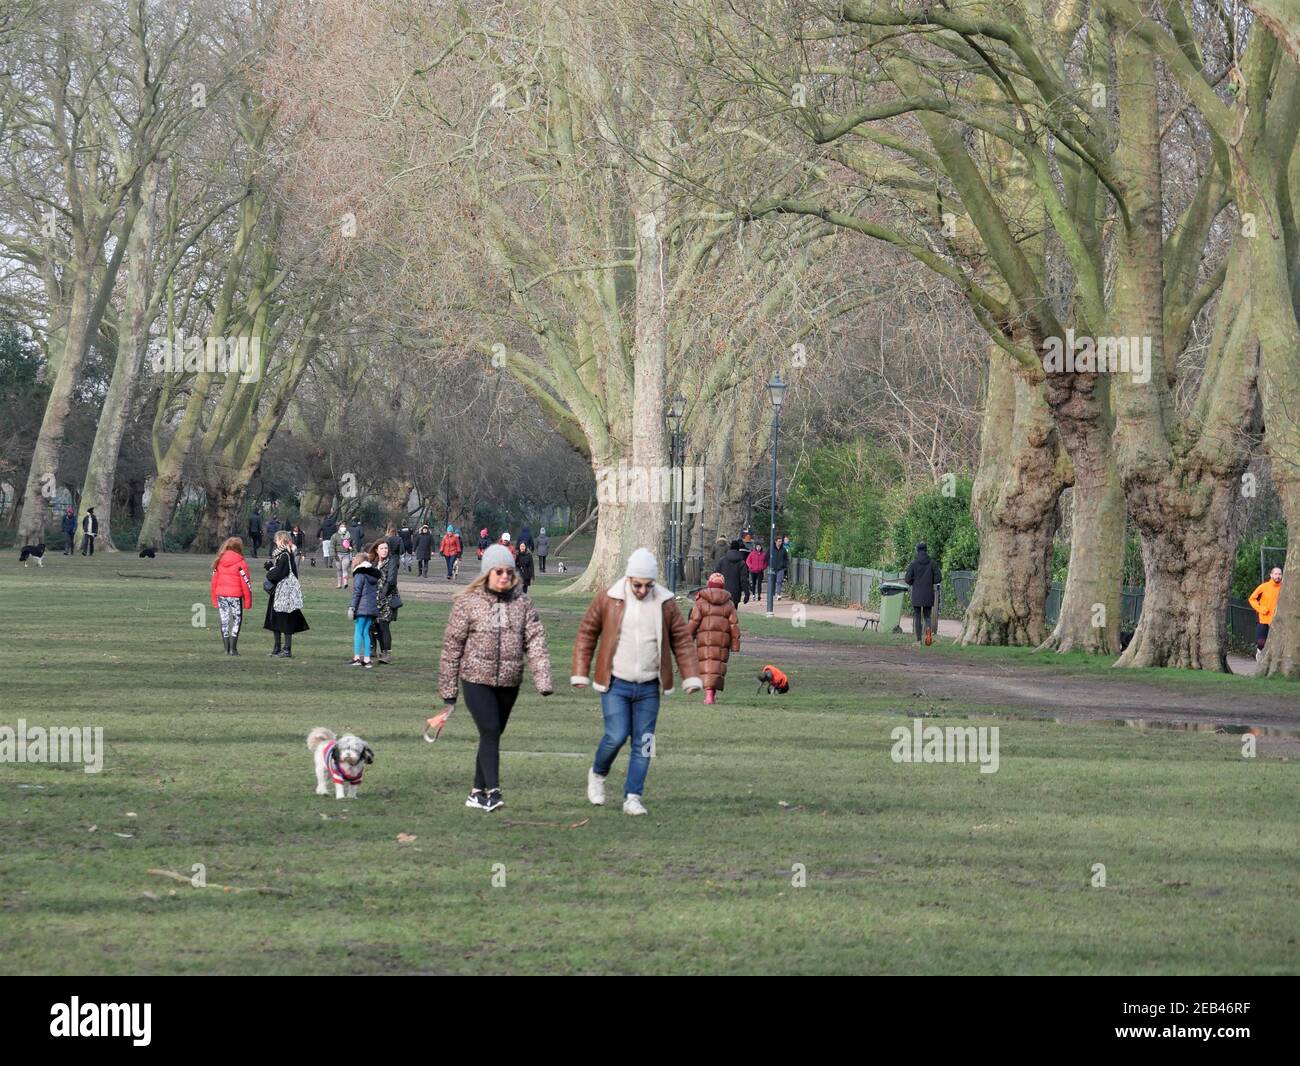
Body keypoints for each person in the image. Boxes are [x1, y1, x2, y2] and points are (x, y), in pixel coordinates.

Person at [572, 549, 703, 816]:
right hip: (615, 684)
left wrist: (690, 676)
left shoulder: (665, 603)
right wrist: (580, 672)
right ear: (628, 578)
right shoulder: (609, 599)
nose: (642, 590)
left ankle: (633, 796)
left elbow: (681, 640)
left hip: (648, 686)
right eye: (637, 585)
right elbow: (587, 633)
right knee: (616, 734)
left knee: (644, 742)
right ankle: (598, 774)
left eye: (648, 585)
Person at [437, 543, 553, 812]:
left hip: (509, 681)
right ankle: (494, 793)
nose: (504, 576)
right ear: (487, 573)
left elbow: (535, 641)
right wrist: (449, 689)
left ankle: (476, 792)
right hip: (476, 679)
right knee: (489, 730)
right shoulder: (468, 604)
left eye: (509, 572)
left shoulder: (522, 603)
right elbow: (452, 646)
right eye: (498, 571)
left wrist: (543, 680)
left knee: (492, 735)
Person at [688, 573, 741, 705]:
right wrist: (735, 644)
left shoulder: (700, 602)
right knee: (717, 667)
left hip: (704, 639)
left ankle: (708, 694)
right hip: (722, 640)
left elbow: (694, 622)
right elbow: (734, 625)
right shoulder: (729, 603)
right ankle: (711, 694)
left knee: (707, 666)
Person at [264, 530, 309, 658]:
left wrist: (269, 570)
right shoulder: (284, 555)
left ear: (281, 540)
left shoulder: (284, 555)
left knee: (284, 619)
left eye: (277, 539)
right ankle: (278, 647)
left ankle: (285, 649)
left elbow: (279, 573)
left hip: (283, 593)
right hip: (282, 592)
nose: (275, 542)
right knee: (277, 619)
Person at [210, 536, 253, 656]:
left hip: (221, 595)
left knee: (224, 621)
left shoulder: (219, 561)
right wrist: (248, 601)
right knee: (236, 620)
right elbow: (246, 582)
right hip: (235, 596)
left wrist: (214, 598)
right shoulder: (241, 563)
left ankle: (226, 648)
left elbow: (214, 581)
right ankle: (233, 649)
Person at [368, 538, 402, 664]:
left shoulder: (392, 561)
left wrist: (383, 594)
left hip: (387, 598)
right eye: (382, 548)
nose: (384, 550)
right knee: (375, 625)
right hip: (374, 598)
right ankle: (379, 651)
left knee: (384, 625)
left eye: (386, 548)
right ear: (377, 550)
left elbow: (392, 580)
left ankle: (386, 654)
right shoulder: (373, 563)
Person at [347, 549, 382, 668]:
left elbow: (357, 592)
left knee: (358, 631)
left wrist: (352, 606)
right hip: (371, 608)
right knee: (366, 632)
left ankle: (357, 657)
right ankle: (367, 659)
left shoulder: (359, 574)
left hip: (362, 607)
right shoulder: (373, 575)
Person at [904, 542, 942, 645]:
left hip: (917, 594)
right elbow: (938, 578)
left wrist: (914, 582)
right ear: (926, 550)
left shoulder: (913, 564)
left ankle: (918, 640)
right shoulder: (932, 563)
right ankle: (928, 632)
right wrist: (930, 581)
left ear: (917, 550)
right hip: (928, 593)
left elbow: (907, 579)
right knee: (927, 616)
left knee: (917, 616)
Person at [1249, 566, 1283, 662]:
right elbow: (1252, 599)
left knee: (1277, 643)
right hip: (1263, 619)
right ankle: (1259, 652)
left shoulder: (1284, 588)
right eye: (1276, 574)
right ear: (1271, 575)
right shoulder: (1263, 587)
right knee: (1261, 642)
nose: (1278, 576)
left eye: (1280, 574)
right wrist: (1261, 609)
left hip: (1278, 621)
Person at [721, 539, 748, 606]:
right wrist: (747, 593)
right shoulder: (741, 563)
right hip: (736, 592)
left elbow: (716, 576)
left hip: (723, 591)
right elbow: (743, 580)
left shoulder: (722, 561)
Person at [330, 522, 352, 589]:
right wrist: (333, 554)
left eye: (344, 526)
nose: (343, 528)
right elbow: (332, 546)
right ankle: (339, 584)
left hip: (346, 555)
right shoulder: (335, 536)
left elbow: (354, 545)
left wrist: (353, 552)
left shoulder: (349, 536)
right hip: (338, 555)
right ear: (339, 527)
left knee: (345, 569)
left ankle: (345, 583)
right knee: (339, 569)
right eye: (341, 526)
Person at [770, 534, 790, 601]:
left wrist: (783, 565)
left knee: (779, 581)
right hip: (773, 568)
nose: (780, 542)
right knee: (772, 581)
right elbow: (767, 557)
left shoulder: (783, 550)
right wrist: (770, 564)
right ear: (775, 541)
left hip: (780, 568)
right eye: (778, 541)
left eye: (781, 541)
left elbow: (786, 559)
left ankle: (778, 594)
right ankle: (772, 594)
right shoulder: (771, 549)